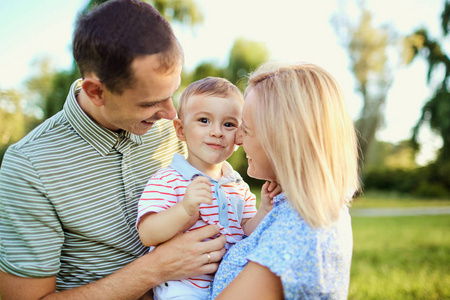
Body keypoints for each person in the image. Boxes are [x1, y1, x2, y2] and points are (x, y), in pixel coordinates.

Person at [0, 1, 226, 299]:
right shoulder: (29, 167)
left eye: (172, 94)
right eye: (149, 103)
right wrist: (154, 269)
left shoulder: (168, 130)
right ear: (96, 92)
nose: (171, 114)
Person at [209, 62, 360, 300]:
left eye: (246, 130)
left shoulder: (297, 232)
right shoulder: (295, 211)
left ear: (283, 139)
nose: (237, 139)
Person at [136, 77, 280, 300]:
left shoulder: (236, 184)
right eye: (204, 120)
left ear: (240, 135)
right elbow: (148, 233)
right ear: (181, 130)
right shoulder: (169, 179)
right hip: (185, 287)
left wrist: (264, 210)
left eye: (229, 124)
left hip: (229, 282)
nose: (217, 132)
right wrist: (185, 209)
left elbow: (247, 232)